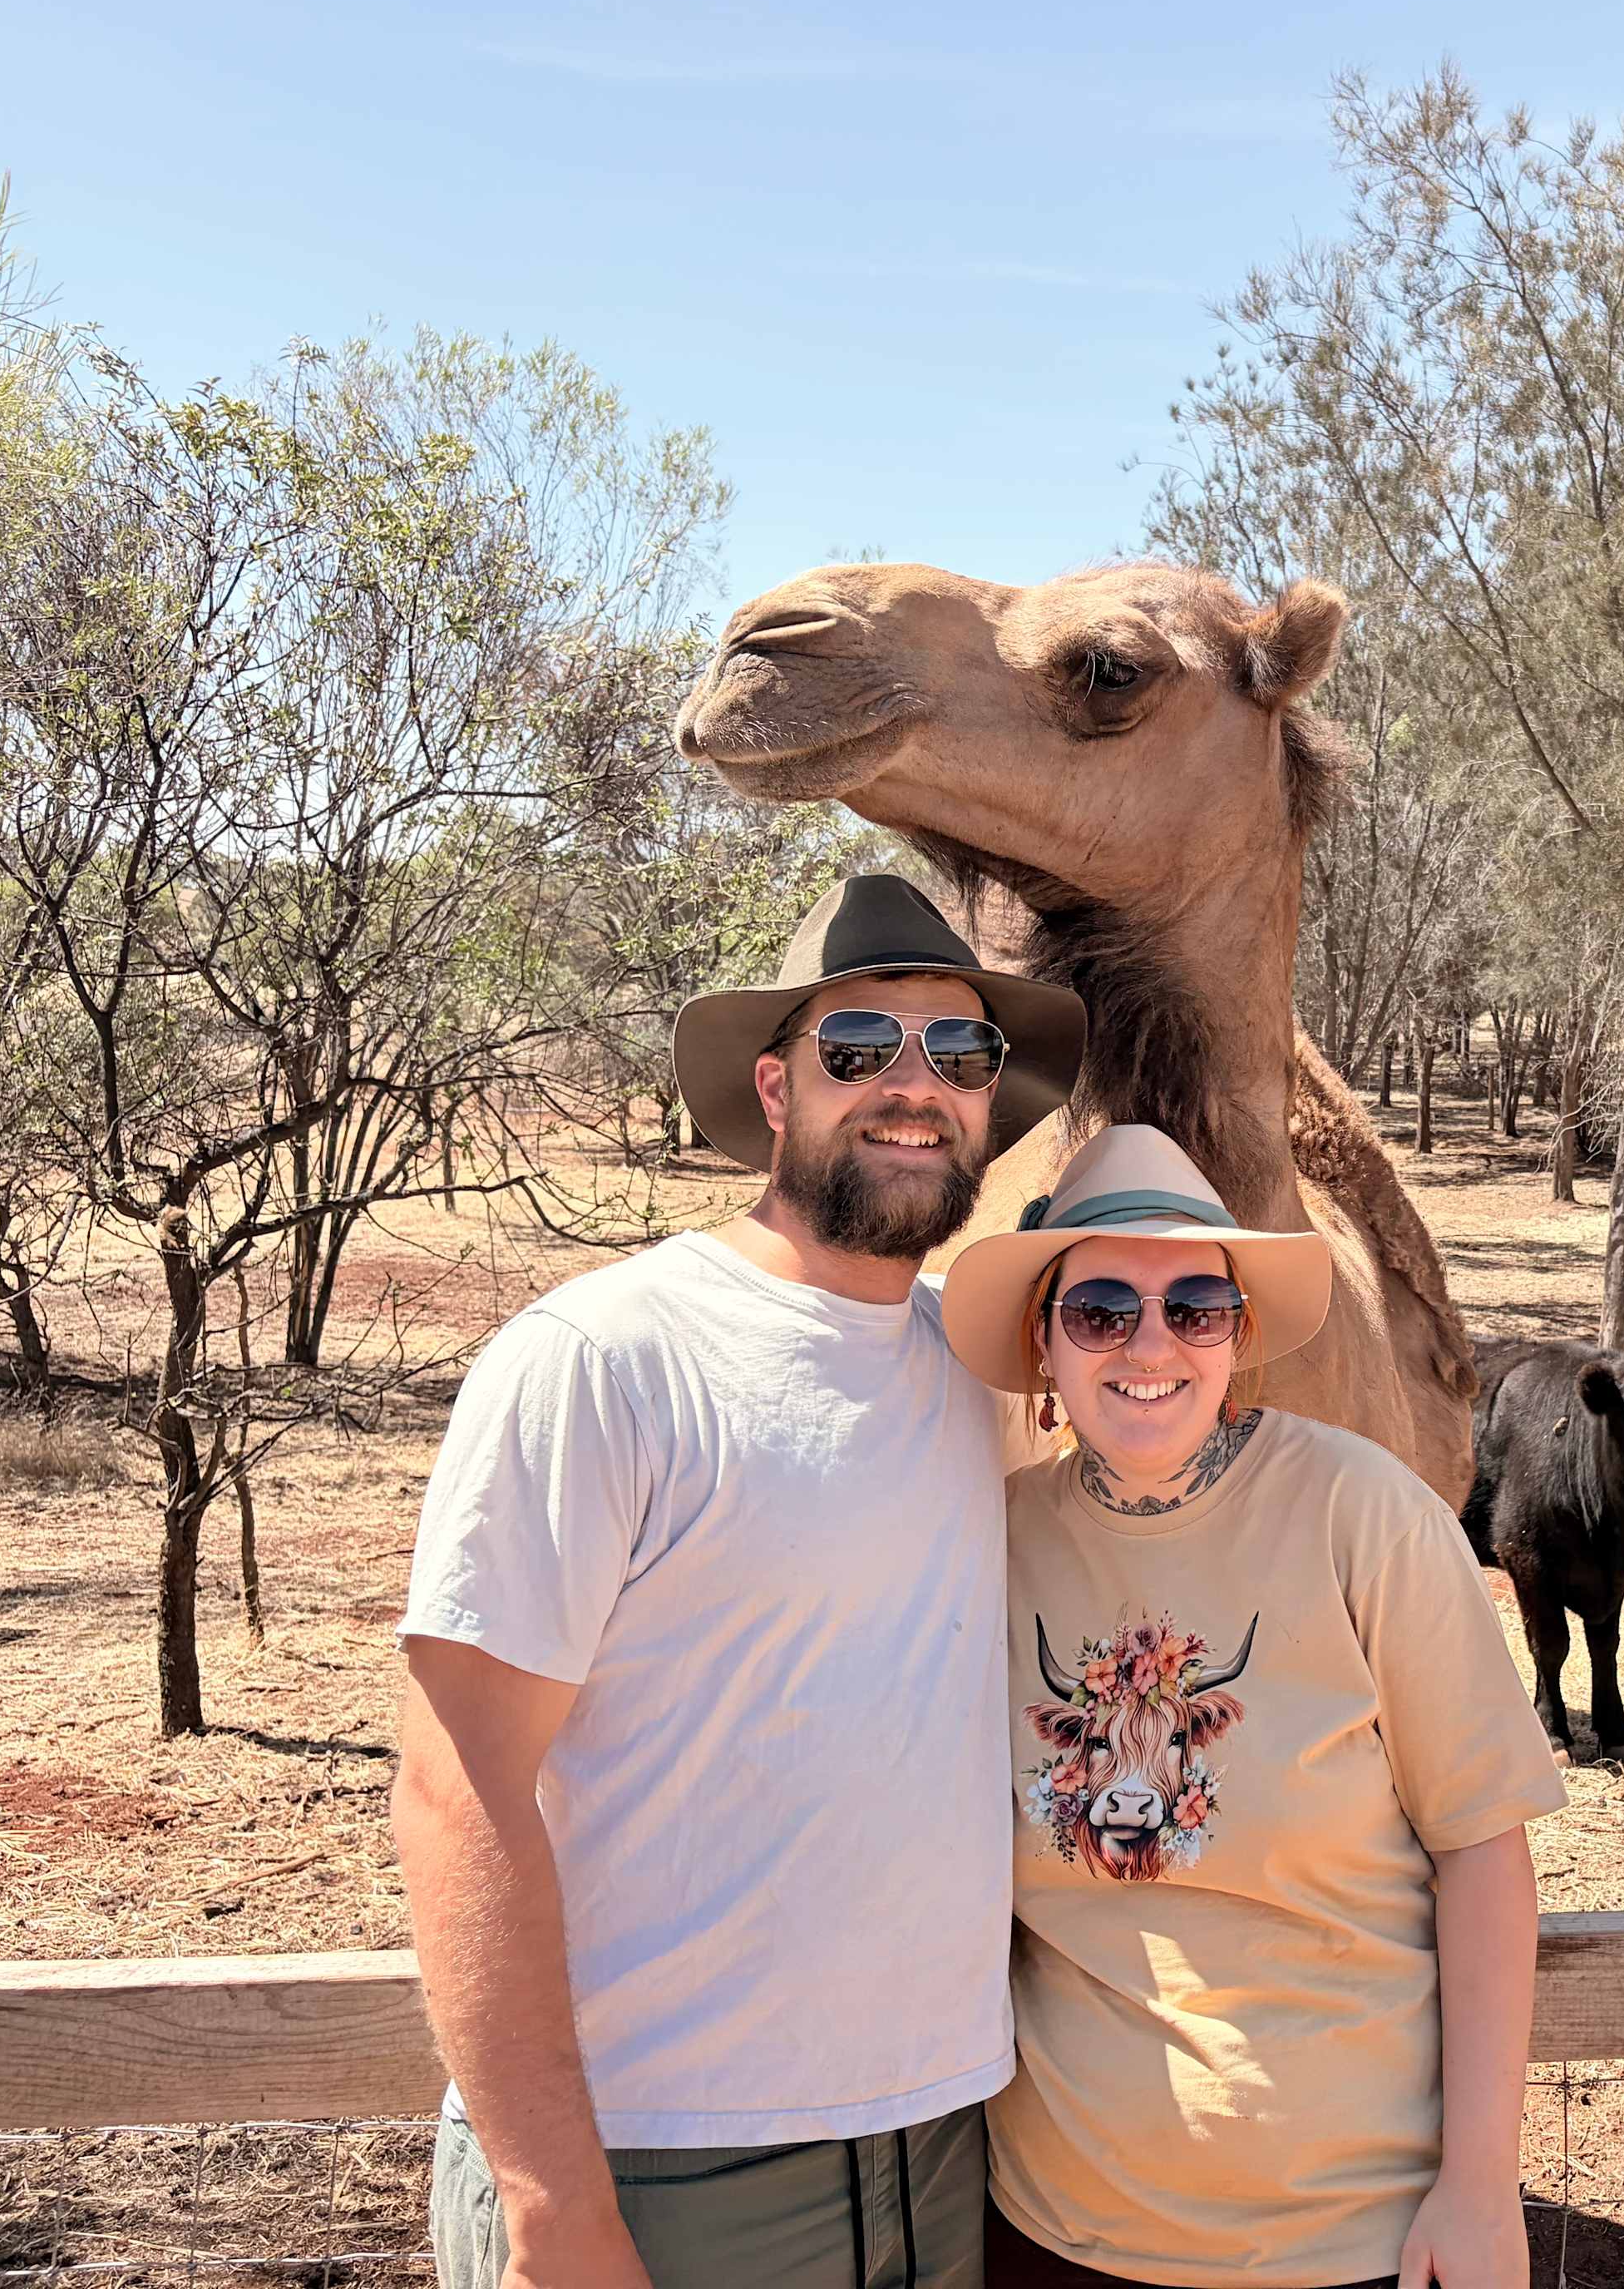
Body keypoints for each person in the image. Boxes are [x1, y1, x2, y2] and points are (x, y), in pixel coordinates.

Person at [392, 873, 1084, 2289]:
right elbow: (457, 1786)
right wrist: (554, 2208)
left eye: (959, 1055)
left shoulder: (983, 1373)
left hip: (941, 2142)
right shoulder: (602, 1360)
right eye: (859, 1049)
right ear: (776, 1087)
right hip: (655, 2166)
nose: (915, 1087)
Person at [936, 1125, 1565, 2289]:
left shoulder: (1362, 1520)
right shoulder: (995, 1543)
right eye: (1102, 1311)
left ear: (1241, 1331)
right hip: (1055, 2234)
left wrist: (1480, 2183)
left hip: (1345, 2237)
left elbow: (1483, 1848)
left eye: (1196, 1307)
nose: (1151, 1344)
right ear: (1045, 1337)